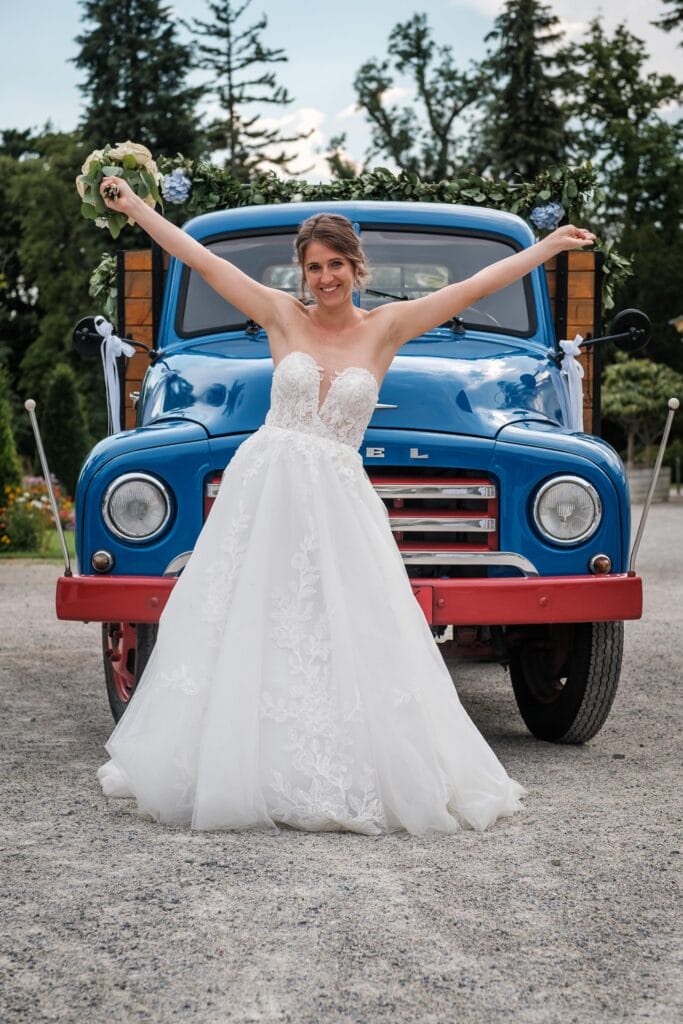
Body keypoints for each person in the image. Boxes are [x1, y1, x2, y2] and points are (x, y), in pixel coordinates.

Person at [96, 176, 595, 835]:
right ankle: (234, 760)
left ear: (356, 269)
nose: (324, 278)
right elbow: (199, 259)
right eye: (313, 267)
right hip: (268, 488)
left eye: (335, 265)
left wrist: (549, 247)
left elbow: (470, 290)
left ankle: (329, 764)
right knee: (254, 621)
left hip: (337, 495)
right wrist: (136, 208)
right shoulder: (280, 315)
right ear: (301, 274)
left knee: (344, 626)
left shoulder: (387, 328)